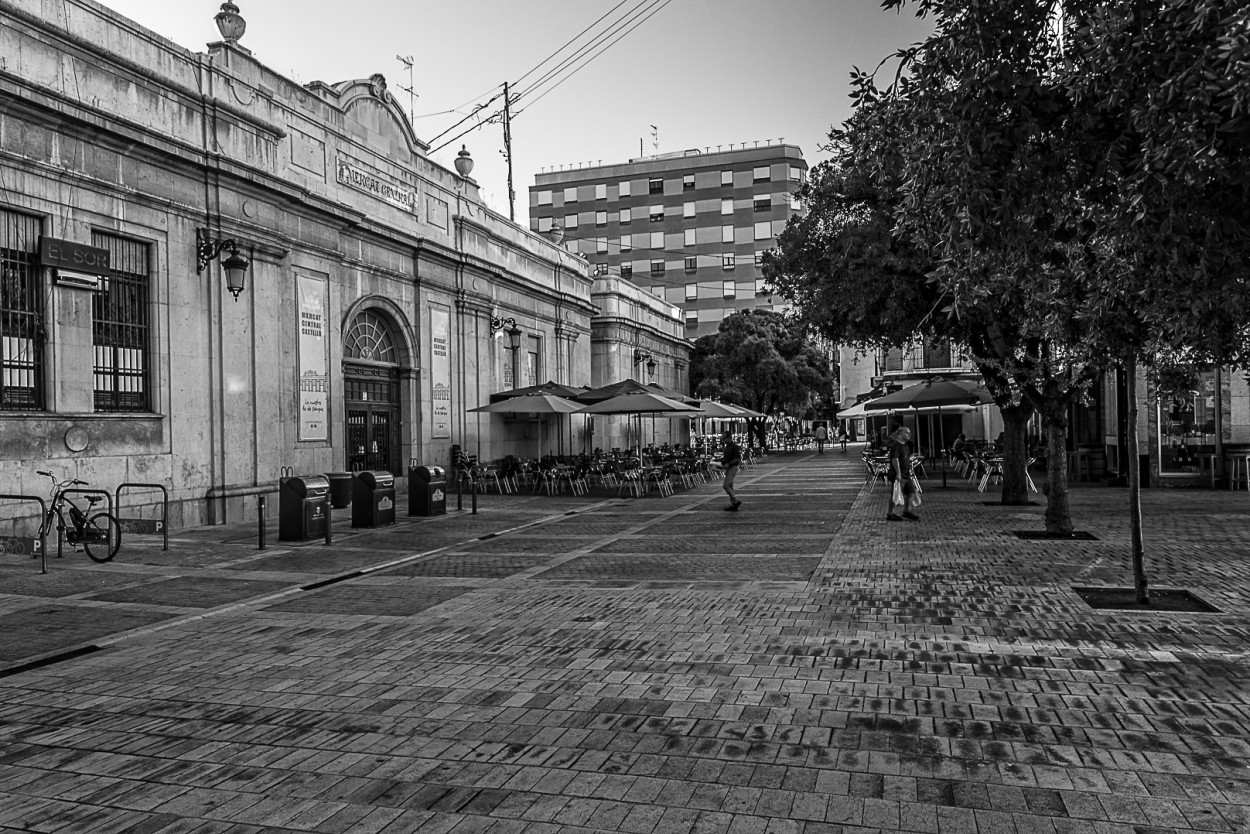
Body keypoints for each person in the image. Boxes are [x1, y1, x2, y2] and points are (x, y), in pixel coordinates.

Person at [886, 426, 920, 521]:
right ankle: (890, 513)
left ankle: (907, 511)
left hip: (906, 473)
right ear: (901, 434)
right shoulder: (896, 445)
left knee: (911, 492)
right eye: (907, 433)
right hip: (899, 474)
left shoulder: (905, 445)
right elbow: (895, 459)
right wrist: (898, 473)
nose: (909, 434)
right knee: (895, 494)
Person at [720, 429, 743, 511]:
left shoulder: (734, 447)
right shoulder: (727, 447)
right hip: (728, 467)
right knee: (730, 486)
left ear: (729, 438)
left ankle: (735, 500)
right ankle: (733, 504)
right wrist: (722, 461)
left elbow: (737, 458)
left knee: (725, 485)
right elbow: (726, 457)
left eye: (724, 438)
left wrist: (729, 463)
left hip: (732, 467)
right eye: (723, 438)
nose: (723, 440)